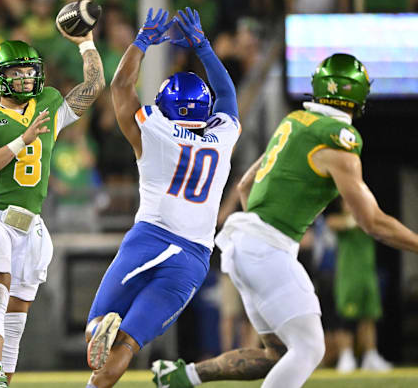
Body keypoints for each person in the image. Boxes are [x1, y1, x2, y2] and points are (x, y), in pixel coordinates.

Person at [152, 53, 418, 388]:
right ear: (358, 92)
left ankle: (183, 376)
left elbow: (246, 184)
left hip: (243, 243)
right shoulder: (338, 138)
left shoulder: (294, 122)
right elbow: (372, 222)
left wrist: (265, 230)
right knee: (309, 347)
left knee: (277, 354)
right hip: (265, 248)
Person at [85, 7, 240, 388]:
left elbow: (120, 87)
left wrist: (141, 41)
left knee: (94, 334)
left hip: (150, 238)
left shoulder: (156, 130)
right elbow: (227, 92)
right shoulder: (221, 138)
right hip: (194, 258)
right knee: (127, 346)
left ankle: (98, 328)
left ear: (166, 106)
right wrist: (202, 45)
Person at [0, 19, 105, 386]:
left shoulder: (48, 103)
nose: (25, 78)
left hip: (31, 222)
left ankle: (2, 380)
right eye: (16, 72)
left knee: (18, 313)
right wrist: (22, 140)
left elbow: (94, 86)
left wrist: (86, 42)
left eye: (29, 71)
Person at [328, 199, 392, 373]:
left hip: (368, 276)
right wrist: (355, 219)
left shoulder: (368, 220)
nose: (350, 205)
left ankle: (371, 356)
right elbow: (333, 224)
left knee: (369, 316)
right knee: (346, 319)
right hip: (348, 278)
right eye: (347, 202)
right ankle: (346, 356)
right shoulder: (338, 220)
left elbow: (383, 227)